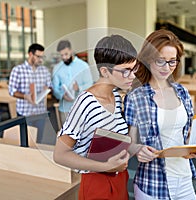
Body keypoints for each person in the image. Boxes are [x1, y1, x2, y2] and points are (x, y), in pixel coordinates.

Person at [124, 29, 196, 200]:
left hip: (184, 178)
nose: (167, 68)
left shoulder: (182, 92)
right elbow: (129, 142)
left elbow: (186, 136)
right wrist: (138, 149)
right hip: (153, 184)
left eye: (172, 62)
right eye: (161, 61)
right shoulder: (135, 96)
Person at [53, 35, 138, 200]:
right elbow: (60, 155)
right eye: (126, 71)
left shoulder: (116, 96)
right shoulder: (85, 103)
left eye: (134, 69)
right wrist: (104, 166)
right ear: (105, 71)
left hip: (120, 179)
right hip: (96, 184)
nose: (132, 76)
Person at [8, 43, 52, 143]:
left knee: (38, 141)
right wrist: (25, 96)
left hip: (40, 113)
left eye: (42, 57)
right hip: (25, 113)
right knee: (26, 141)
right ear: (30, 54)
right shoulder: (17, 70)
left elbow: (50, 86)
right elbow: (12, 91)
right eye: (38, 56)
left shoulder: (45, 71)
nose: (41, 59)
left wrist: (47, 88)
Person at [52, 40, 93, 125]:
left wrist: (79, 88)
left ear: (71, 50)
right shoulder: (56, 68)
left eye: (66, 54)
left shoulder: (84, 66)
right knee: (66, 136)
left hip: (82, 109)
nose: (64, 57)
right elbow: (55, 90)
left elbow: (90, 85)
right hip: (65, 110)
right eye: (62, 55)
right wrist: (62, 95)